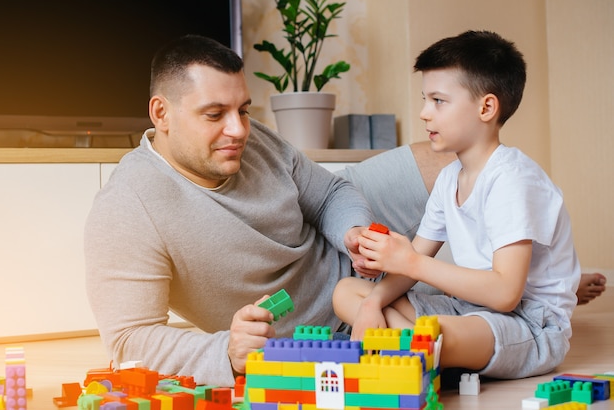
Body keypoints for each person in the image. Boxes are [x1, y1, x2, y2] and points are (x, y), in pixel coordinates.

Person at [84, 34, 449, 387]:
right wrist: (226, 351)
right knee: (470, 326)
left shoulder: (248, 135)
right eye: (214, 115)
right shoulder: (127, 206)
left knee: (453, 154)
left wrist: (352, 231)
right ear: (161, 113)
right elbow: (128, 339)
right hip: (328, 327)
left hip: (341, 246)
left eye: (242, 110)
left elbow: (329, 194)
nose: (238, 130)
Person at [332, 30, 582, 379]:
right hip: (467, 308)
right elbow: (408, 268)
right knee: (347, 292)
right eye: (425, 99)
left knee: (434, 334)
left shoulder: (512, 179)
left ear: (486, 107)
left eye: (438, 101)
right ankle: (412, 348)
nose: (423, 113)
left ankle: (411, 346)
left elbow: (506, 293)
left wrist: (412, 263)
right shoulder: (451, 178)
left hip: (530, 323)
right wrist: (373, 302)